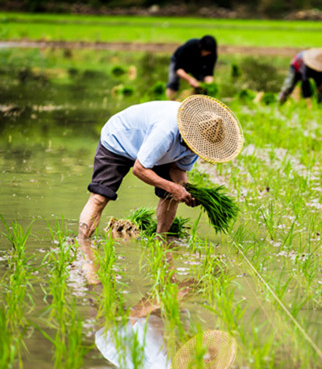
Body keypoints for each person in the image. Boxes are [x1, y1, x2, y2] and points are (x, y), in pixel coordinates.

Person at [77, 95, 244, 284]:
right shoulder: (166, 130)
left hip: (157, 152)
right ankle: (82, 248)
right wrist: (173, 187)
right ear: (189, 134)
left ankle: (161, 243)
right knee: (100, 197)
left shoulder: (197, 144)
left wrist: (186, 191)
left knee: (171, 196)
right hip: (120, 140)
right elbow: (140, 169)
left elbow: (178, 170)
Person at [166, 36, 218, 100]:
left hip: (197, 65)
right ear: (201, 48)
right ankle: (171, 102)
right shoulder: (190, 46)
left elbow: (209, 73)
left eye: (209, 53)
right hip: (180, 62)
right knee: (173, 83)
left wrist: (208, 84)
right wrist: (190, 79)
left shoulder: (212, 54)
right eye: (205, 52)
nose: (206, 54)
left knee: (201, 87)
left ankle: (192, 103)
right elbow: (178, 69)